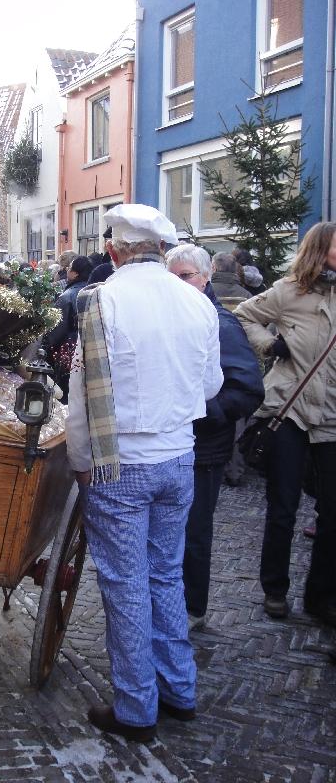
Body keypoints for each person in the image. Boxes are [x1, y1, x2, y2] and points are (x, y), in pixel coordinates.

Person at [66, 204, 223, 741]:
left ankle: (136, 708)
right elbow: (210, 387)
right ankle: (180, 689)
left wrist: (80, 463)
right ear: (161, 250)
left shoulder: (100, 301)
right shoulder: (196, 300)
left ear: (113, 250)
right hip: (179, 457)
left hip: (122, 462)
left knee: (126, 584)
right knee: (164, 575)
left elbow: (81, 403)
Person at [235, 221, 336, 626]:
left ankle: (322, 596)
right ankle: (275, 589)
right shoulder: (289, 292)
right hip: (289, 411)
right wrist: (269, 344)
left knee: (332, 512)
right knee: (283, 507)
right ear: (320, 249)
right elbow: (244, 315)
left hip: (332, 413)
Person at [166, 245, 264, 630]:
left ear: (206, 277)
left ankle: (192, 609)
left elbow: (248, 389)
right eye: (171, 276)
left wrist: (205, 414)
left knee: (193, 532)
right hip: (172, 445)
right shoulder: (168, 319)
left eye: (186, 275)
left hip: (203, 447)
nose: (178, 284)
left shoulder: (221, 324)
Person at [42, 255, 93, 403]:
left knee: (65, 399)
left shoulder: (67, 296)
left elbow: (55, 331)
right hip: (87, 355)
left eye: (70, 268)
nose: (67, 270)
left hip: (66, 358)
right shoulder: (93, 292)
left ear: (75, 273)